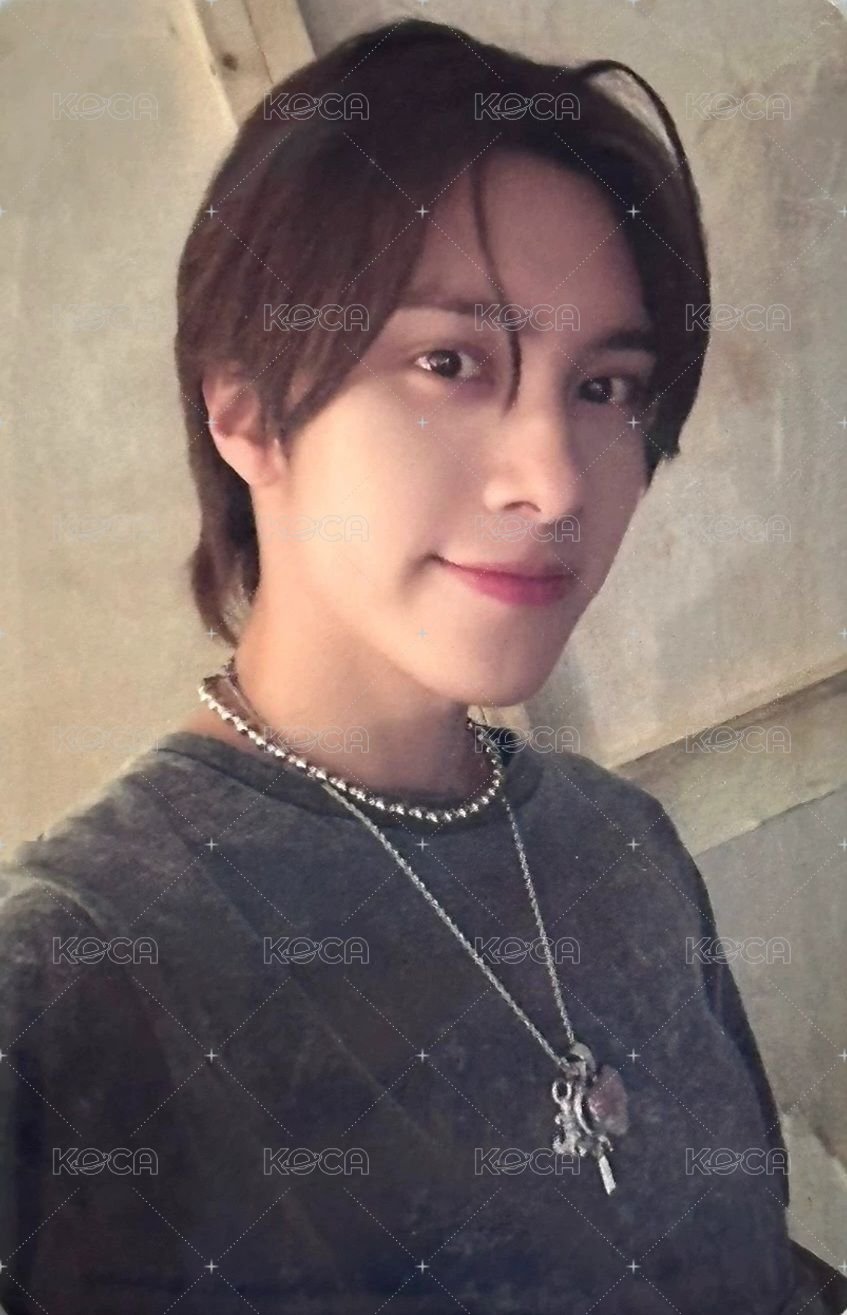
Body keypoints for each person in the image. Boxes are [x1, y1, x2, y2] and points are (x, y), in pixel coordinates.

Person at [1, 17, 844, 1315]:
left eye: (605, 389)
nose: (554, 481)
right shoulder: (71, 981)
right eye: (448, 363)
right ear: (244, 408)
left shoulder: (622, 844)